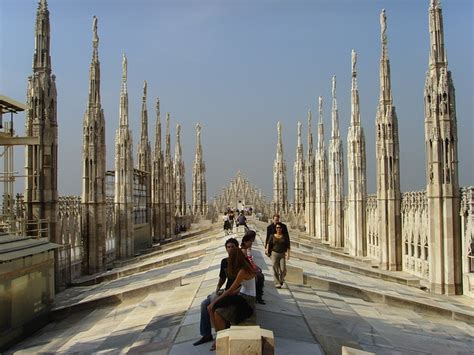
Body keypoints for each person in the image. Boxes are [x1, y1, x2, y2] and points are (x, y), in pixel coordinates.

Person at [208, 248, 256, 351]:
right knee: (215, 308)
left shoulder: (242, 271)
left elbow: (230, 290)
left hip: (246, 300)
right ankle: (219, 337)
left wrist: (215, 302)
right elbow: (242, 287)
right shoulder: (246, 267)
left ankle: (220, 340)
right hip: (242, 295)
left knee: (217, 311)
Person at [193, 238, 239, 346]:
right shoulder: (224, 262)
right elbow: (222, 278)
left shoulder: (240, 262)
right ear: (226, 249)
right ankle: (206, 334)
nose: (231, 249)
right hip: (225, 291)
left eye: (233, 247)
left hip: (233, 293)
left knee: (212, 306)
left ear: (237, 248)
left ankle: (220, 336)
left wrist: (229, 292)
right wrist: (218, 287)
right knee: (204, 303)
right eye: (228, 247)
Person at [241, 231, 265, 304]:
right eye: (250, 241)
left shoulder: (247, 249)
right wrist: (254, 270)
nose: (252, 242)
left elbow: (250, 261)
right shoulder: (243, 251)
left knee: (260, 275)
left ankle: (258, 296)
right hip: (245, 271)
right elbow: (246, 263)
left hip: (249, 269)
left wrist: (256, 267)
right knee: (260, 277)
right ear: (245, 242)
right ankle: (258, 297)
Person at [266, 223, 290, 288]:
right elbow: (268, 243)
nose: (278, 229)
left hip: (282, 254)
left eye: (279, 228)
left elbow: (288, 245)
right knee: (274, 267)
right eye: (277, 228)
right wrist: (267, 250)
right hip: (274, 253)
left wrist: (288, 254)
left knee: (283, 269)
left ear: (281, 229)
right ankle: (277, 283)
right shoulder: (272, 236)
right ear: (275, 229)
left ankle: (281, 279)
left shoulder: (284, 236)